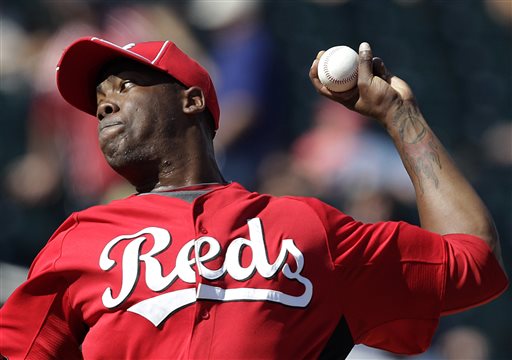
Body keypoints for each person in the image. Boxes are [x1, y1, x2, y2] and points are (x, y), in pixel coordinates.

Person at [0, 37, 507, 359]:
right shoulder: (79, 240)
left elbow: (475, 261)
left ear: (192, 99)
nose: (104, 102)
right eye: (98, 100)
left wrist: (401, 116)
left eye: (124, 85)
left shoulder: (306, 227)